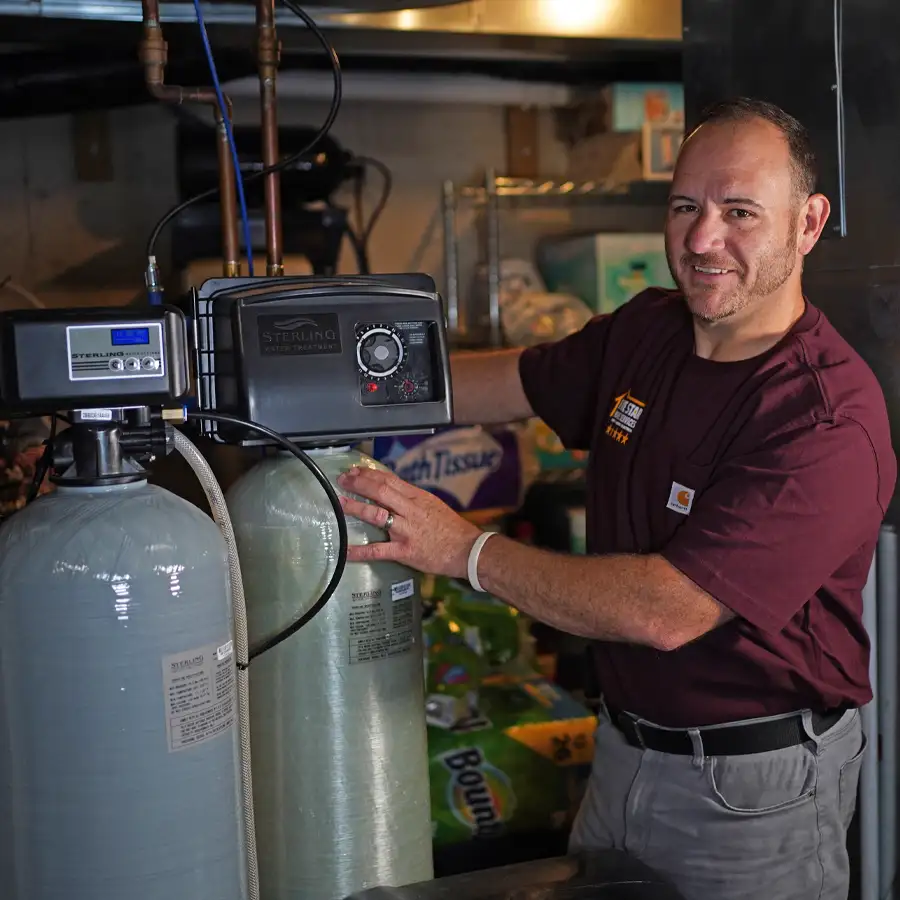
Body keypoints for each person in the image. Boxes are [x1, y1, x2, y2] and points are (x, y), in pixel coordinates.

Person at [337, 97, 897, 900]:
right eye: (684, 207)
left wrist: (464, 551)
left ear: (808, 224)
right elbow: (506, 381)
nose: (703, 241)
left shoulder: (823, 418)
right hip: (625, 751)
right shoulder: (648, 332)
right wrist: (346, 385)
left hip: (751, 792)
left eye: (740, 213)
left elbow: (667, 611)